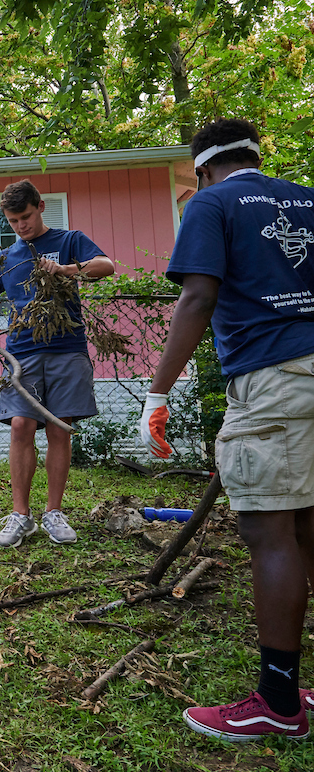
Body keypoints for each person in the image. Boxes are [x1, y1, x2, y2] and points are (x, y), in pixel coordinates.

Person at [141, 118, 314, 741]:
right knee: (309, 525)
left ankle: (277, 701)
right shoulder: (305, 198)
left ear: (204, 168)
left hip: (272, 380)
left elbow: (197, 298)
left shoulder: (211, 203)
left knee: (269, 531)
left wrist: (157, 393)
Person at [0, 180, 114, 548]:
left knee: (59, 429)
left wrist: (65, 270)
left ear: (40, 207)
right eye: (13, 221)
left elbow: (106, 266)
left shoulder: (69, 240)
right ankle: (20, 516)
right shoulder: (7, 257)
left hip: (67, 348)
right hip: (22, 352)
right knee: (20, 426)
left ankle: (53, 513)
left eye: (25, 217)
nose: (20, 226)